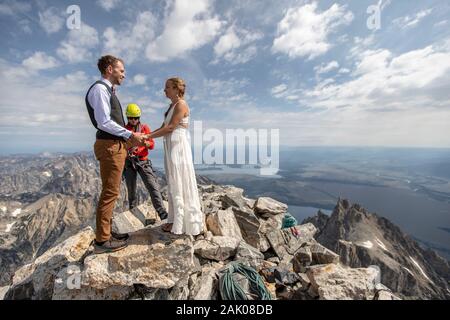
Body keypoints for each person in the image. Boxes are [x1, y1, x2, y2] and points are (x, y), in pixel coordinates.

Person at [85, 55, 146, 254]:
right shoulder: (100, 89)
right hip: (110, 146)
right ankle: (102, 240)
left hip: (113, 145)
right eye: (121, 70)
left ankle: (107, 232)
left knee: (112, 191)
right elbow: (104, 122)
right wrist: (130, 134)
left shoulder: (107, 91)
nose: (124, 74)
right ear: (110, 69)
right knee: (110, 192)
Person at [145, 77, 204, 235]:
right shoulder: (172, 105)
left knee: (179, 180)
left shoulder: (181, 104)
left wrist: (147, 137)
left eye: (168, 87)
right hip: (171, 145)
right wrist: (147, 135)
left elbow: (170, 127)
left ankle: (182, 223)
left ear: (177, 89)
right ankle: (173, 220)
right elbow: (164, 126)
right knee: (173, 181)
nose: (165, 90)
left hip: (178, 146)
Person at [123, 103, 168, 222]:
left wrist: (142, 144)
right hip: (129, 163)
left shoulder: (144, 128)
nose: (133, 120)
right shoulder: (124, 129)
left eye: (136, 118)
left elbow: (152, 144)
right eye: (131, 118)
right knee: (131, 189)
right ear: (127, 118)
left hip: (142, 161)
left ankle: (162, 212)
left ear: (139, 117)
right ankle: (133, 211)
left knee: (152, 186)